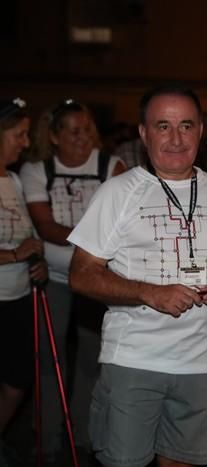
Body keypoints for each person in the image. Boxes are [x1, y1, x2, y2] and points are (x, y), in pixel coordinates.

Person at [67, 84, 207, 467]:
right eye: (162, 126)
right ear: (143, 133)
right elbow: (82, 275)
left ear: (201, 130)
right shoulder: (119, 193)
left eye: (186, 125)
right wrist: (149, 292)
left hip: (202, 365)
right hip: (134, 361)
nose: (176, 138)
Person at [19, 99, 126, 457]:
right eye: (74, 131)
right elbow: (45, 226)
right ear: (53, 136)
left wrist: (92, 238)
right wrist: (95, 234)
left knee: (91, 360)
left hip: (97, 279)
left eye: (88, 130)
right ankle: (47, 435)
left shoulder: (111, 167)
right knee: (50, 360)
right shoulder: (37, 170)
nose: (84, 138)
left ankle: (83, 434)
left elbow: (121, 225)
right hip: (52, 277)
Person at [0, 97, 48, 464]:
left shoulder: (14, 180)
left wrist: (36, 261)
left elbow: (27, 237)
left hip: (17, 297)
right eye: (18, 135)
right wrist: (15, 255)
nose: (26, 142)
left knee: (18, 381)